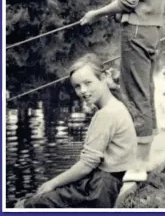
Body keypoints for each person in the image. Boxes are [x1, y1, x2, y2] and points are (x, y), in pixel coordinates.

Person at [80, 0, 165, 181]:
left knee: (134, 93)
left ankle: (140, 165)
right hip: (149, 29)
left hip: (137, 29)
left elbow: (127, 1)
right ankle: (142, 156)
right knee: (144, 89)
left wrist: (96, 13)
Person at [19, 53, 137, 208]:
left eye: (88, 82)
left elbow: (86, 165)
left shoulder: (107, 114)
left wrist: (51, 183)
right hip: (106, 181)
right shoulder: (115, 105)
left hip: (99, 189)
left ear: (103, 77)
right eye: (77, 86)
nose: (83, 91)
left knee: (30, 204)